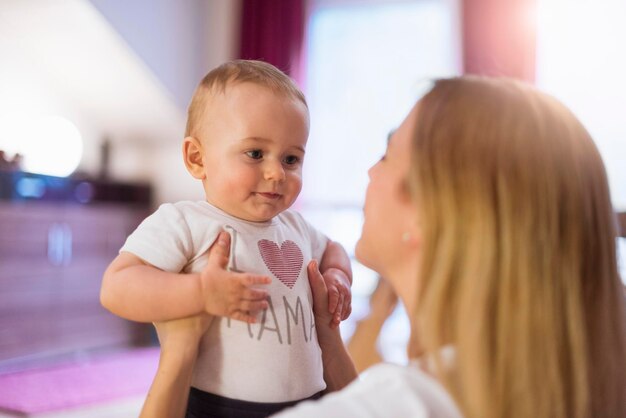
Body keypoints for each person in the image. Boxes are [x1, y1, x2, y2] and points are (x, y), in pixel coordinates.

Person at [139, 76, 626, 418]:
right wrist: (330, 343)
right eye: (257, 153)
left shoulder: (404, 402)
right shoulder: (547, 382)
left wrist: (179, 353)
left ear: (429, 214)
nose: (370, 171)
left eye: (387, 154)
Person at [100, 60, 353, 417]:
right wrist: (200, 293)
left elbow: (334, 251)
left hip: (309, 401)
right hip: (220, 405)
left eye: (291, 158)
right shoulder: (186, 222)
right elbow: (117, 286)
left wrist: (337, 276)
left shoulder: (295, 227)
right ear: (197, 158)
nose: (276, 172)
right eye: (255, 153)